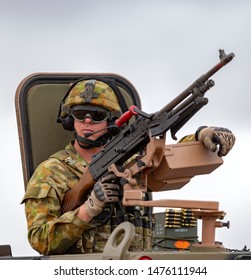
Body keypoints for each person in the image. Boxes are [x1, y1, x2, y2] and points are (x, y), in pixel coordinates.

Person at [22, 79, 236, 255]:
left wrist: (201, 136)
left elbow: (166, 155)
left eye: (97, 116)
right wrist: (87, 210)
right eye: (80, 115)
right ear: (70, 121)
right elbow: (40, 240)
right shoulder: (51, 171)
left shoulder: (132, 162)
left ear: (111, 121)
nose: (87, 122)